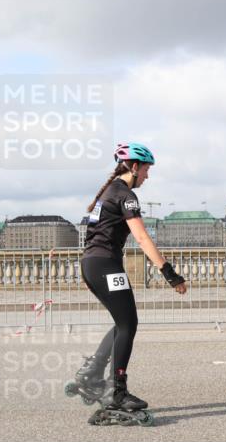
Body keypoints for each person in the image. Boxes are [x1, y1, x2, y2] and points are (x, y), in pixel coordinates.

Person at [73, 142, 187, 426]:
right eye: (147, 169)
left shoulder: (108, 193)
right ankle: (117, 392)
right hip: (105, 265)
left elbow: (92, 237)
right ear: (134, 167)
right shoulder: (126, 195)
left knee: (123, 322)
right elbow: (142, 238)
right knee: (128, 324)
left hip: (95, 264)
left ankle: (92, 372)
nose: (148, 175)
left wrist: (90, 274)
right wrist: (169, 273)